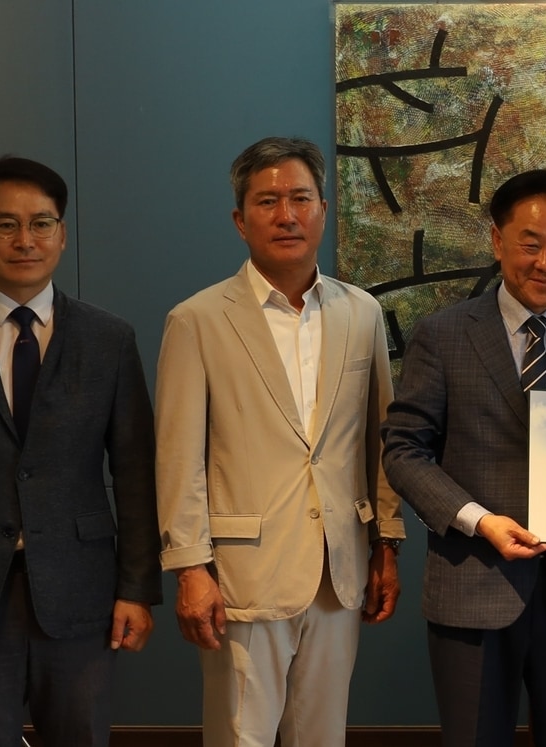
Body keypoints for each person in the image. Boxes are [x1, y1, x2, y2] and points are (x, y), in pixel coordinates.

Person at [155, 137, 402, 747]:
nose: (286, 215)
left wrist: (387, 544)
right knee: (241, 738)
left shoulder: (362, 313)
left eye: (299, 198)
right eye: (267, 201)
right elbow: (177, 457)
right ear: (241, 220)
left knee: (323, 737)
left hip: (338, 568)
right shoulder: (198, 319)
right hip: (242, 574)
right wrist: (190, 567)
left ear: (322, 210)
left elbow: (381, 440)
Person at [0, 155, 160, 745]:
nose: (25, 240)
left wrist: (136, 589)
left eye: (41, 223)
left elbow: (134, 473)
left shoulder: (109, 339)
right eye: (5, 224)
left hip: (83, 593)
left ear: (62, 234)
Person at [383, 169, 546, 746]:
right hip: (474, 584)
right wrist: (479, 520)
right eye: (531, 243)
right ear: (497, 241)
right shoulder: (442, 335)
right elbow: (403, 449)